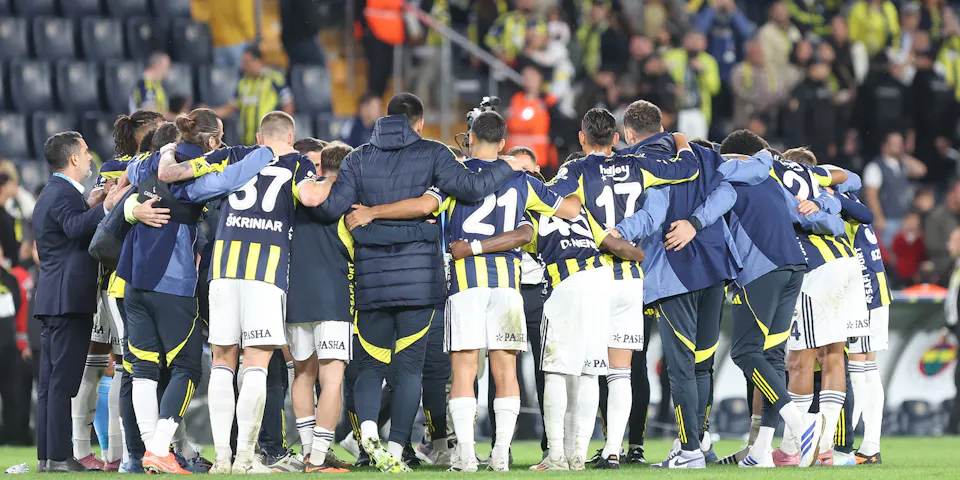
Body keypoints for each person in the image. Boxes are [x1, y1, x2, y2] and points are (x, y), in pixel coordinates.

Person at [316, 93, 525, 472]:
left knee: (371, 366)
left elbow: (333, 210)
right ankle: (397, 450)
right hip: (419, 281)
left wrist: (359, 213)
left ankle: (367, 436)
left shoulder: (357, 158)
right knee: (411, 369)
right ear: (420, 122)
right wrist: (508, 165)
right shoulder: (434, 153)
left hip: (371, 278)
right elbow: (471, 187)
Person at [120, 109, 289, 474]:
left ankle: (151, 451)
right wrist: (265, 152)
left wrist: (133, 206)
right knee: (186, 366)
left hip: (133, 276)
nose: (223, 143)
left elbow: (128, 175)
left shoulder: (150, 160)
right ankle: (159, 448)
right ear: (211, 139)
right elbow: (228, 180)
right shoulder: (196, 174)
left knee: (144, 370)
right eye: (220, 137)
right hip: (171, 277)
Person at [548, 105, 703, 469]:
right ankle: (614, 451)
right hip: (632, 278)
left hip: (595, 274)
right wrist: (681, 140)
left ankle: (576, 453)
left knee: (591, 368)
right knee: (623, 371)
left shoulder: (577, 169)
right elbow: (688, 169)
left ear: (582, 138)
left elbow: (547, 197)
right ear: (616, 138)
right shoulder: (638, 165)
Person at [204, 112, 331, 474]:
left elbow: (193, 171)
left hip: (223, 269)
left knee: (221, 362)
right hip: (265, 273)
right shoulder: (298, 162)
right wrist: (334, 181)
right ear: (291, 136)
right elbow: (311, 197)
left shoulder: (236, 154)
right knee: (256, 365)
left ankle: (222, 459)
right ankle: (246, 458)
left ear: (260, 137)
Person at [713, 131, 845, 468]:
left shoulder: (725, 176)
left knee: (745, 352)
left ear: (732, 156)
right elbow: (806, 216)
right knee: (772, 357)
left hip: (760, 269)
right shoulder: (772, 179)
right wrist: (828, 211)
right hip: (794, 267)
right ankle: (761, 452)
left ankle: (801, 426)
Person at [33, 132, 128, 472]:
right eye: (85, 151)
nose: (89, 157)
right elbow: (75, 228)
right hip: (68, 300)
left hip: (55, 298)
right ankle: (59, 456)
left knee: (51, 383)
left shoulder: (54, 191)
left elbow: (68, 228)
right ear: (73, 158)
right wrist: (106, 206)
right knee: (62, 381)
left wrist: (92, 203)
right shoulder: (62, 192)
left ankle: (49, 456)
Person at [766, 148, 859, 467]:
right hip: (848, 263)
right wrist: (824, 202)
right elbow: (852, 178)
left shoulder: (769, 174)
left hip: (816, 268)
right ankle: (826, 447)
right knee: (833, 355)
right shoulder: (815, 177)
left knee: (799, 360)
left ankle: (793, 447)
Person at [214, 46, 295, 146]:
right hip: (246, 142)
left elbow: (288, 102)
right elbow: (230, 107)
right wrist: (211, 113)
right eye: (243, 62)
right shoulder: (243, 83)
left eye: (247, 62)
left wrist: (284, 130)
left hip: (268, 142)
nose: (244, 66)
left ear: (258, 61)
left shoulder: (273, 79)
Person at [862, 131, 927, 248]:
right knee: (887, 252)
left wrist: (902, 155)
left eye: (900, 143)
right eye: (895, 144)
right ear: (885, 146)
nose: (899, 146)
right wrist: (878, 218)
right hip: (887, 221)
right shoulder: (875, 167)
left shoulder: (901, 164)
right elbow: (871, 195)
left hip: (904, 220)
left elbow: (921, 170)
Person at [663, 31, 720, 139]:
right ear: (684, 41)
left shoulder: (709, 61)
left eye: (698, 40)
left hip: (699, 111)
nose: (694, 43)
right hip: (677, 110)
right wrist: (674, 88)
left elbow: (714, 88)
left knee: (698, 144)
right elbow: (664, 79)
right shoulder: (672, 56)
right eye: (691, 39)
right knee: (678, 143)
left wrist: (703, 72)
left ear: (705, 44)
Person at [129, 53, 172, 118]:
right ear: (156, 66)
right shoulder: (144, 83)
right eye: (166, 67)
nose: (167, 72)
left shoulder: (158, 84)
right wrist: (174, 117)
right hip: (142, 123)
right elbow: (148, 109)